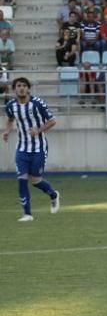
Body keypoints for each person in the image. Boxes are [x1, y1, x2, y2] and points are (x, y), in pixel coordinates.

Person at [2, 78, 60, 222]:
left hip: (39, 148)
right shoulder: (10, 105)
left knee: (35, 181)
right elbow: (10, 119)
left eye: (24, 86)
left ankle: (53, 195)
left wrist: (38, 130)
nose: (21, 88)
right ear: (14, 89)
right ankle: (27, 214)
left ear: (28, 89)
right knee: (22, 179)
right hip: (21, 148)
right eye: (18, 86)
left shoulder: (37, 103)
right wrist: (7, 131)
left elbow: (52, 121)